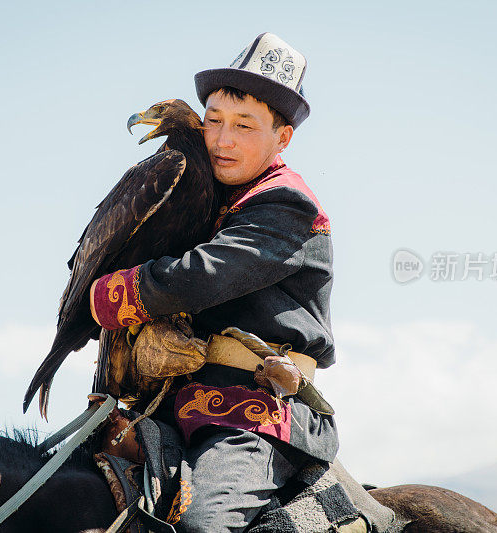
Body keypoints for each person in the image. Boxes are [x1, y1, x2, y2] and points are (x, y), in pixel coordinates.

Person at [89, 32, 358, 532]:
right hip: (173, 403)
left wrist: (112, 293)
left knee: (199, 528)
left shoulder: (286, 203)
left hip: (256, 416)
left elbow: (200, 276)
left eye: (243, 126)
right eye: (213, 121)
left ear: (282, 137)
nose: (222, 139)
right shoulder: (204, 196)